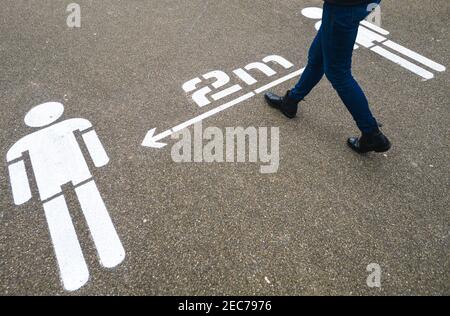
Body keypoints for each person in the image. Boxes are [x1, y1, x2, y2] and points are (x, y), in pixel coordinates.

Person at [265, 0, 391, 154]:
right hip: (355, 5)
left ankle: (371, 133)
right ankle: (291, 101)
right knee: (318, 57)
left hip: (343, 7)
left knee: (338, 72)